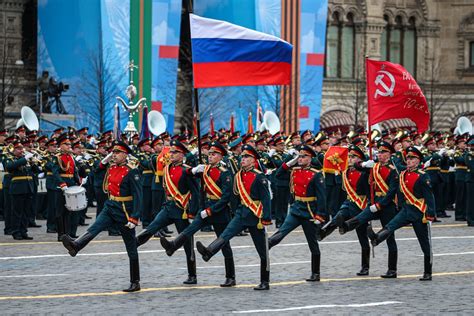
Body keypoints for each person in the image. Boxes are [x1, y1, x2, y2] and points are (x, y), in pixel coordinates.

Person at [61, 141, 143, 292]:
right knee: (95, 227)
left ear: (125, 155)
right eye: (113, 152)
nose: (114, 155)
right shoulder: (111, 167)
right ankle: (76, 245)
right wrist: (103, 162)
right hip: (110, 205)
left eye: (117, 152)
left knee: (131, 247)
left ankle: (135, 281)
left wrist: (134, 217)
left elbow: (138, 196)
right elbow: (94, 174)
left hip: (124, 210)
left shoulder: (132, 171)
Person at [195, 144, 272, 290]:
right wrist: (235, 211)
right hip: (241, 213)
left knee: (262, 250)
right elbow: (235, 197)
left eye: (246, 157)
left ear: (253, 160)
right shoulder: (238, 175)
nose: (242, 159)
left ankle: (265, 281)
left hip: (255, 216)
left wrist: (266, 218)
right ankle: (209, 251)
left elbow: (266, 199)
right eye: (242, 156)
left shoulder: (259, 177)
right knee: (226, 234)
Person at [160, 141, 236, 287]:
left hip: (219, 211)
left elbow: (226, 197)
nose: (210, 156)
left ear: (221, 156)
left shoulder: (225, 173)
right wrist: (194, 170)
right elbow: (189, 175)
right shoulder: (205, 170)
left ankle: (230, 277)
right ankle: (173, 245)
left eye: (214, 154)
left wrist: (210, 210)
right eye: (210, 153)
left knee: (224, 243)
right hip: (206, 207)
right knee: (190, 229)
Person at [135, 140, 199, 285]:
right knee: (152, 227)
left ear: (182, 155)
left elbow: (195, 193)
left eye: (175, 152)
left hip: (181, 209)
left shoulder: (186, 170)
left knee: (187, 243)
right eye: (171, 152)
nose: (171, 154)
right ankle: (134, 244)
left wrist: (192, 213)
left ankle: (192, 274)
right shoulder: (167, 168)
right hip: (169, 207)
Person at [368, 146, 435, 281]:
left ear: (418, 161)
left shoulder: (423, 176)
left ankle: (428, 271)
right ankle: (376, 238)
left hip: (418, 212)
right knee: (390, 225)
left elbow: (430, 197)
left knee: (424, 242)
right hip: (406, 210)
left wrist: (430, 214)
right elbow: (399, 191)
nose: (409, 161)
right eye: (408, 158)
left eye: (412, 158)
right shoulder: (403, 174)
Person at [267, 144, 327, 281]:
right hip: (296, 209)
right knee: (281, 232)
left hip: (309, 212)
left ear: (310, 158)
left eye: (304, 156)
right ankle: (266, 246)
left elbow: (322, 198)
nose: (300, 158)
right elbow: (278, 174)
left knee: (312, 243)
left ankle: (315, 273)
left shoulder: (316, 174)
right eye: (299, 156)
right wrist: (290, 163)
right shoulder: (294, 170)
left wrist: (320, 215)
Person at [340, 140, 399, 278]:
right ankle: (347, 226)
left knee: (390, 237)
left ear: (389, 154)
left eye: (383, 152)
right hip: (374, 201)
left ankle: (392, 269)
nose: (380, 154)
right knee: (361, 217)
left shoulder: (393, 171)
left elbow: (391, 192)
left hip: (387, 205)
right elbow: (356, 165)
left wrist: (379, 205)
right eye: (379, 151)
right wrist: (364, 163)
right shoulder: (374, 166)